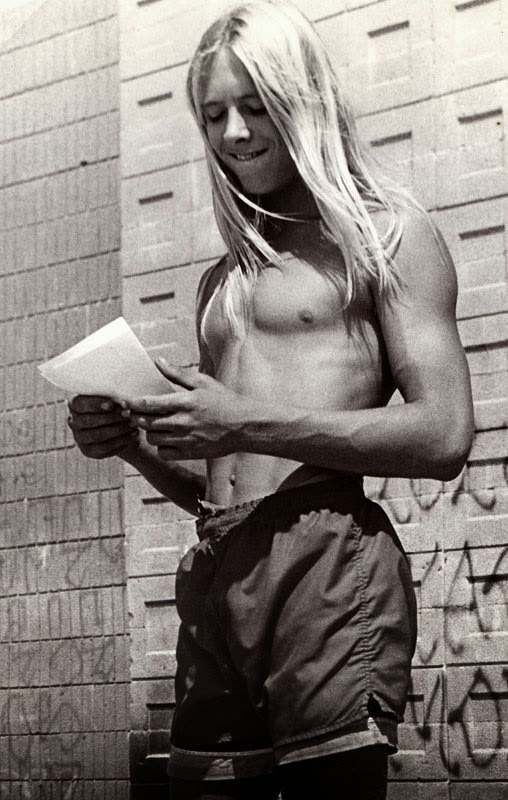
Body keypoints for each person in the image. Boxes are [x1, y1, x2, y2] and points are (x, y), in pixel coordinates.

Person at [67, 1, 474, 797]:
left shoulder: (386, 236)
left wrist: (243, 420)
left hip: (326, 564)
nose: (234, 133)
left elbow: (445, 433)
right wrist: (134, 443)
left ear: (305, 99)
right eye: (214, 113)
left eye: (256, 106)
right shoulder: (222, 284)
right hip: (221, 569)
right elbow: (221, 484)